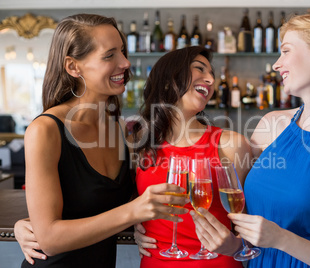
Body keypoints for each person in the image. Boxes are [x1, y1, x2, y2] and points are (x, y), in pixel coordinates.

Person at [190, 9, 310, 268]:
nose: (277, 63)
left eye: (286, 51)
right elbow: (232, 207)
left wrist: (281, 239)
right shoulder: (271, 124)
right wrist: (154, 229)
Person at [13, 13, 189, 267]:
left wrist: (140, 221)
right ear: (73, 67)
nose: (126, 63)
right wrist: (135, 211)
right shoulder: (45, 130)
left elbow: (101, 209)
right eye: (110, 56)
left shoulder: (120, 129)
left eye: (122, 52)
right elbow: (49, 239)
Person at [131, 46, 252, 267]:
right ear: (168, 81)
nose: (210, 80)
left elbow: (252, 225)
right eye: (200, 69)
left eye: (212, 75)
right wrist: (134, 227)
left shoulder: (230, 145)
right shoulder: (141, 144)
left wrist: (237, 244)